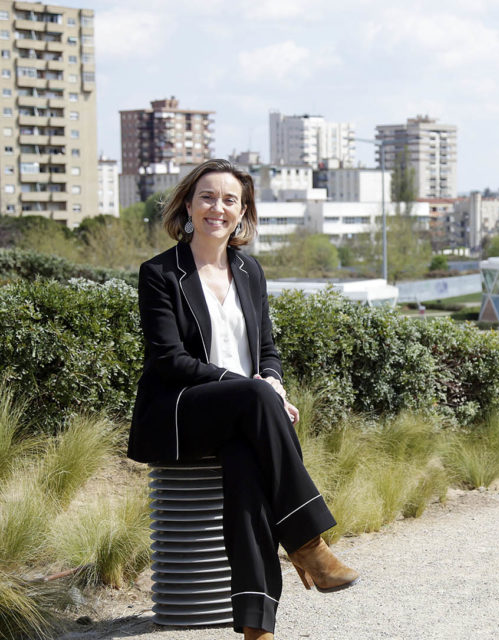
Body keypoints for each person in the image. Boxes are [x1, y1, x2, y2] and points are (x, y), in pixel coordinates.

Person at [127, 159, 358, 640]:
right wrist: (253, 389)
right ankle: (307, 543)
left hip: (243, 415)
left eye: (230, 199)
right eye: (208, 196)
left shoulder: (250, 271)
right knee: (253, 397)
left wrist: (272, 385)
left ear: (243, 210)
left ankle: (257, 629)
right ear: (188, 204)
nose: (218, 207)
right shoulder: (160, 273)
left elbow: (267, 350)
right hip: (179, 411)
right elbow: (168, 360)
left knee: (246, 472)